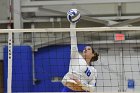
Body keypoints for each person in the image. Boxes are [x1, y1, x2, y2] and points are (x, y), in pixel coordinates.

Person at [61, 24, 99, 92]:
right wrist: (72, 23)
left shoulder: (93, 70)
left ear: (93, 54)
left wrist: (81, 84)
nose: (85, 50)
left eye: (88, 49)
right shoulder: (76, 56)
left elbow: (93, 89)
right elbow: (73, 38)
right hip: (68, 90)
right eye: (85, 49)